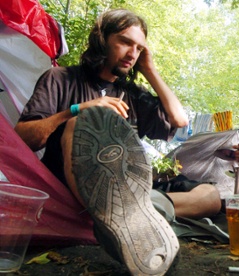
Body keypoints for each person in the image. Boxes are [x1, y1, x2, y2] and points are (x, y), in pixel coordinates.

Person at [14, 9, 221, 274]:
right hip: (74, 192)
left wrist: (150, 68)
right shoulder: (60, 78)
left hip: (130, 188)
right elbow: (21, 137)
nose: (132, 53)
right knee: (85, 122)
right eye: (125, 42)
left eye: (139, 48)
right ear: (102, 40)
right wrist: (76, 110)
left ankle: (134, 213)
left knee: (211, 196)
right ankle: (120, 215)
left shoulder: (132, 94)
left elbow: (180, 121)